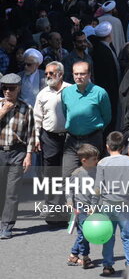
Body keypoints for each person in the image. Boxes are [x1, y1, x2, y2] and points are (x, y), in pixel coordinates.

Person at [93, 131, 129, 276]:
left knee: (108, 236)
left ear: (107, 146)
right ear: (123, 147)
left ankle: (107, 265)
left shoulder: (102, 163)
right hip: (124, 205)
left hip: (107, 205)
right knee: (127, 236)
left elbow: (98, 187)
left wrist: (94, 205)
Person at [33, 61, 71, 223]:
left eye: (51, 73)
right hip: (49, 137)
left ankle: (67, 208)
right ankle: (51, 207)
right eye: (46, 73)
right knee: (51, 173)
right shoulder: (43, 94)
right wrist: (35, 137)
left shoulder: (71, 90)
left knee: (68, 173)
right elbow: (37, 118)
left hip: (69, 137)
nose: (47, 76)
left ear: (60, 74)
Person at [0, 74, 36, 239]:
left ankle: (7, 225)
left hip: (17, 152)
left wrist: (28, 155)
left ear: (19, 88)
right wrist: (4, 110)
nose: (7, 91)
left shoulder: (26, 108)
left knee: (12, 192)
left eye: (11, 88)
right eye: (4, 87)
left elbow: (31, 134)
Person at [61, 62, 111, 178]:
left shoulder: (100, 93)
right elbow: (66, 112)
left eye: (82, 74)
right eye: (76, 74)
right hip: (71, 140)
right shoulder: (66, 92)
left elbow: (107, 116)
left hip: (92, 139)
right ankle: (69, 197)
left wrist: (94, 129)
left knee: (91, 175)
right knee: (67, 175)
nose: (78, 77)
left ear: (89, 75)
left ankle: (92, 197)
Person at [65, 144, 98, 269]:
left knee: (83, 234)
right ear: (84, 160)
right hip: (81, 207)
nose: (97, 161)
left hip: (93, 206)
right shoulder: (77, 173)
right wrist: (69, 201)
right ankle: (85, 257)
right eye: (94, 159)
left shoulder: (97, 171)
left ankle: (73, 255)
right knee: (86, 233)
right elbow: (69, 188)